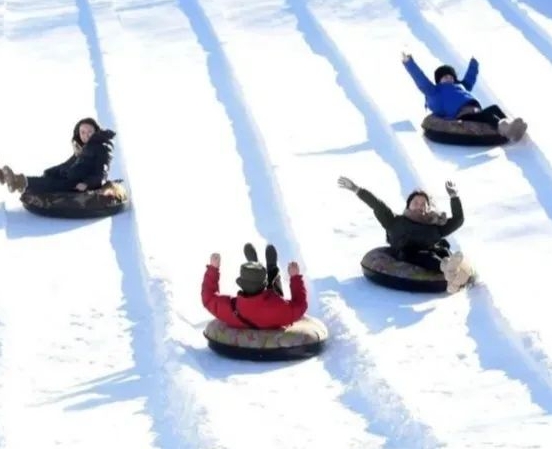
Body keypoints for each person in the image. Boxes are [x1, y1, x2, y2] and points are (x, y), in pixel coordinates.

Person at [338, 176, 469, 288]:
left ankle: (453, 275)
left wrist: (454, 196)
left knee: (441, 251)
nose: (420, 205)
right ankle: (446, 267)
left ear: (429, 208)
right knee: (423, 256)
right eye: (416, 202)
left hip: (429, 251)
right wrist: (357, 189)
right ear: (408, 205)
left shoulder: (435, 226)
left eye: (424, 204)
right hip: (406, 254)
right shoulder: (394, 221)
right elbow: (377, 205)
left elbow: (458, 220)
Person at [402, 52, 527, 142]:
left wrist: (474, 63)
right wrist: (409, 63)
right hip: (461, 114)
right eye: (445, 77)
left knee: (494, 108)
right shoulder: (435, 91)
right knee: (488, 115)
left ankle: (509, 126)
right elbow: (421, 80)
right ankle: (507, 129)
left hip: (474, 109)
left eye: (451, 77)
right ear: (438, 81)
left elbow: (470, 79)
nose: (449, 78)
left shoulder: (460, 86)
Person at [201, 243, 308, 329]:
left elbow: (208, 298)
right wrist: (295, 277)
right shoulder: (279, 308)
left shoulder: (231, 308)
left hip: (244, 308)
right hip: (272, 305)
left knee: (272, 291)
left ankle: (253, 267)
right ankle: (271, 269)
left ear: (242, 284)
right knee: (275, 288)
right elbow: (300, 305)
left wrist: (213, 269)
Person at [0, 117, 115, 194]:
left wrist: (86, 184)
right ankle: (9, 178)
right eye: (82, 132)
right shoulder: (83, 149)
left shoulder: (102, 148)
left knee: (54, 183)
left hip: (80, 184)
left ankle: (17, 181)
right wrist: (52, 170)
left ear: (96, 131)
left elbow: (102, 173)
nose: (86, 135)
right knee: (50, 175)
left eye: (90, 131)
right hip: (72, 178)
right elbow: (67, 165)